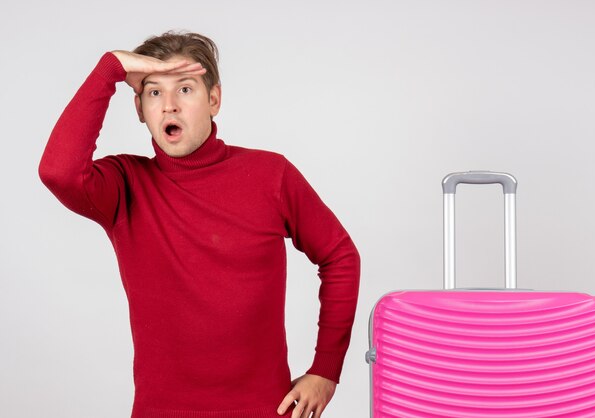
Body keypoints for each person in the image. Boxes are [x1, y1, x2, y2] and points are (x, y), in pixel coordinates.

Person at [39, 31, 360, 418]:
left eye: (186, 89)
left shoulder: (270, 175)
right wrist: (111, 68)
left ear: (214, 100)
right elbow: (58, 172)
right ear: (139, 109)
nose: (169, 106)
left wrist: (325, 370)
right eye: (154, 93)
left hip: (262, 410)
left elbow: (340, 256)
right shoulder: (125, 185)